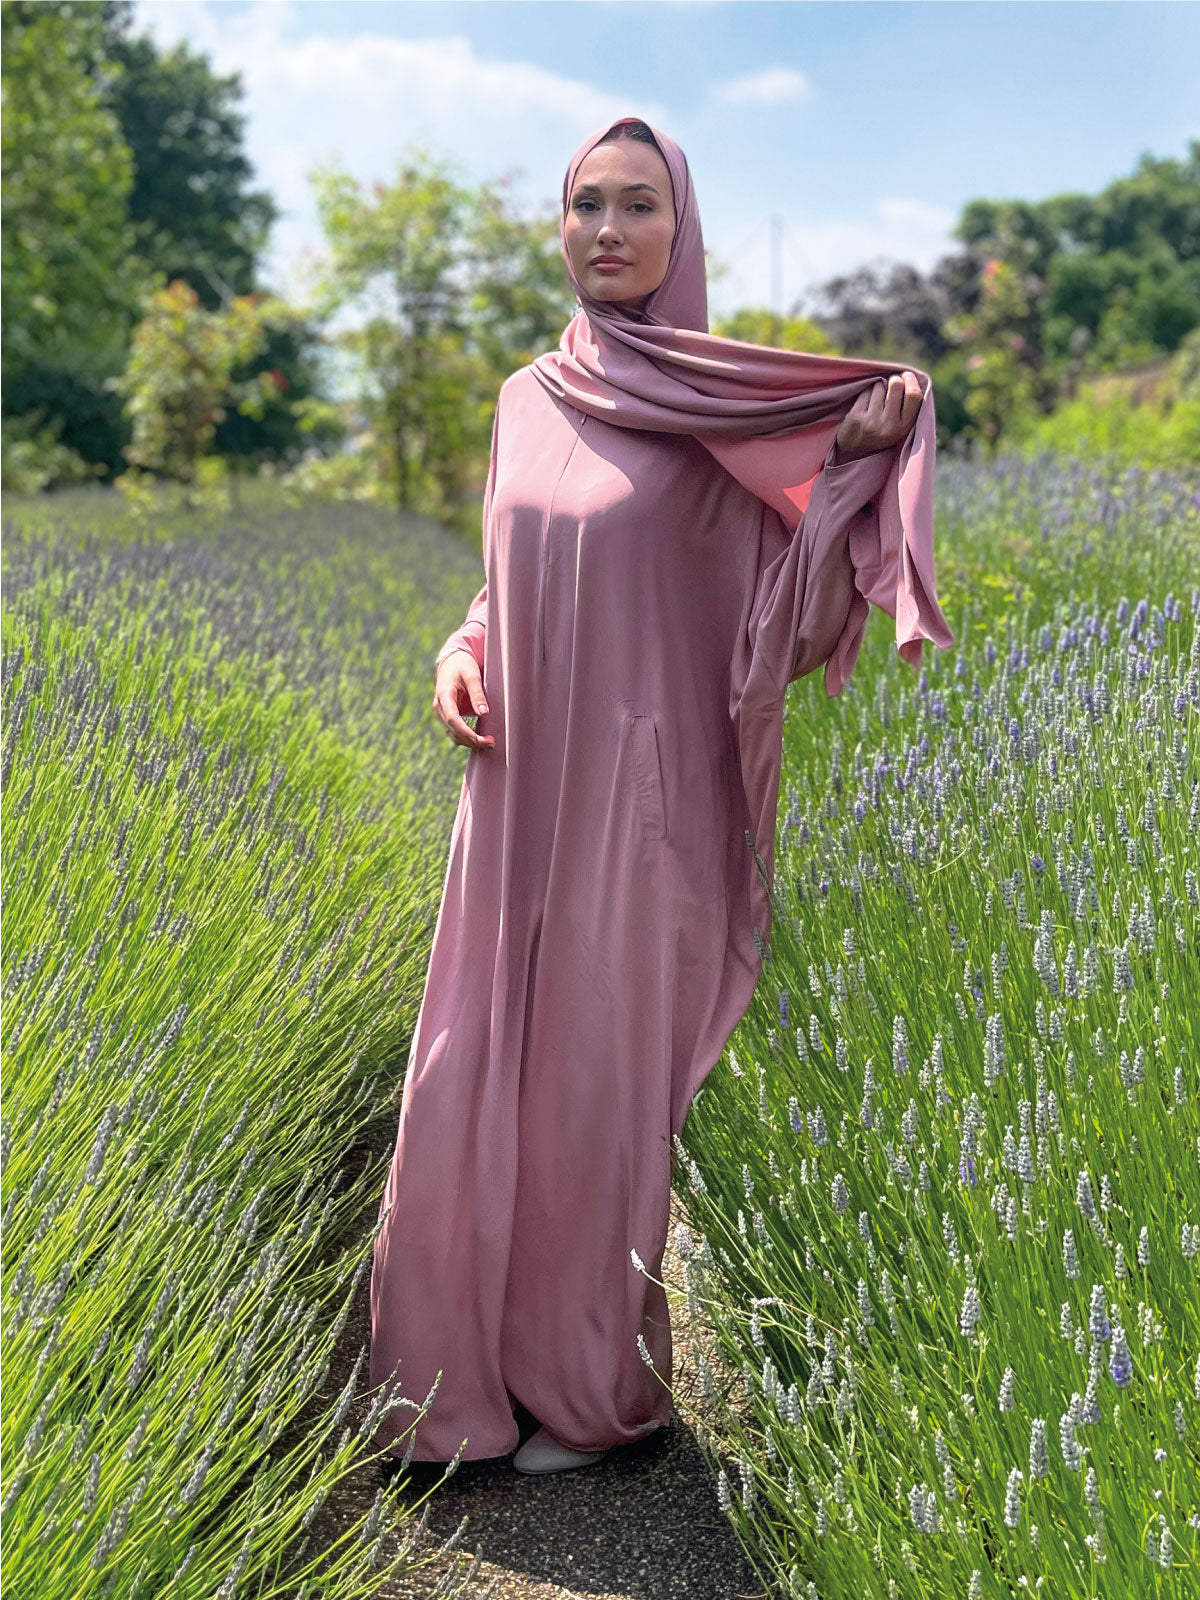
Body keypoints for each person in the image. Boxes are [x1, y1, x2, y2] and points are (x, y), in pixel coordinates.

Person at [369, 116, 953, 1477]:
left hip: (638, 808)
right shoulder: (526, 397)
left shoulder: (716, 412)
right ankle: (446, 1393)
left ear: (682, 235)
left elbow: (784, 616)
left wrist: (860, 460)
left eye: (641, 206)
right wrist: (459, 649)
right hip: (512, 802)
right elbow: (506, 575)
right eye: (589, 205)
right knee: (461, 1078)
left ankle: (588, 1395)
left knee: (591, 1097)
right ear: (560, 228)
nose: (611, 230)